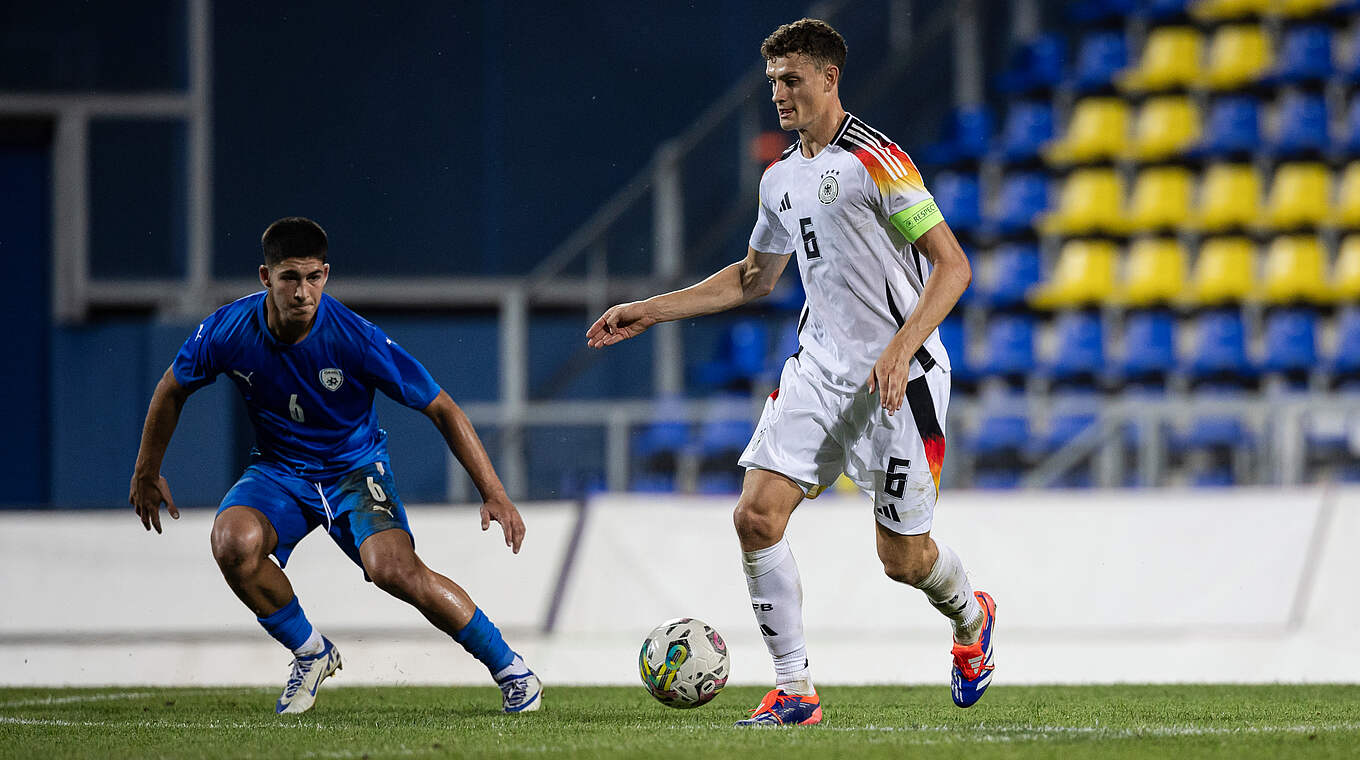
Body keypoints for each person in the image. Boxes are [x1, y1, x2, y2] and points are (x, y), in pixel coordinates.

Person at [587, 18, 993, 726]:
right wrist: (652, 308)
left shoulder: (879, 159)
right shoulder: (778, 177)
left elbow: (953, 266)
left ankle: (972, 617)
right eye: (772, 80)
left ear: (829, 78)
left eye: (791, 79)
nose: (778, 92)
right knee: (755, 516)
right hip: (819, 371)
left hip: (903, 379)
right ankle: (795, 691)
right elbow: (753, 278)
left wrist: (900, 347)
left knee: (902, 559)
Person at [129, 217, 542, 715]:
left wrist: (494, 491)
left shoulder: (355, 338)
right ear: (265, 277)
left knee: (394, 570)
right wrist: (147, 471)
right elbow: (172, 388)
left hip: (355, 471)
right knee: (231, 542)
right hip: (279, 472)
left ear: (326, 274)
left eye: (313, 277)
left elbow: (442, 407)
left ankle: (513, 671)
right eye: (288, 278)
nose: (302, 292)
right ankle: (311, 654)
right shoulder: (227, 329)